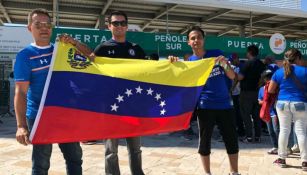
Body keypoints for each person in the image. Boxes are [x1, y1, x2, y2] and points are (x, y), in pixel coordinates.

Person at [14, 8, 92, 175]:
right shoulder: (25, 55)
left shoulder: (62, 50)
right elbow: (20, 92)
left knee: (74, 158)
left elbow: (91, 57)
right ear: (30, 28)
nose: (44, 28)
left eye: (47, 24)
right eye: (38, 24)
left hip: (65, 113)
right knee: (41, 163)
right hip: (39, 115)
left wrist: (74, 43)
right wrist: (21, 126)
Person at [170, 26, 240, 175]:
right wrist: (172, 63)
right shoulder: (190, 62)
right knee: (204, 142)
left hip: (224, 105)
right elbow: (180, 80)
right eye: (193, 38)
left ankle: (234, 172)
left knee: (231, 140)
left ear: (203, 40)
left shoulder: (216, 54)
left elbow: (232, 76)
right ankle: (207, 172)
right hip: (205, 106)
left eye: (199, 37)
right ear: (188, 42)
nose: (196, 40)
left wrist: (225, 64)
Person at [93, 11, 146, 175]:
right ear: (109, 26)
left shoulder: (136, 49)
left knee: (136, 149)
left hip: (132, 106)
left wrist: (171, 63)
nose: (119, 26)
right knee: (111, 151)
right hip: (111, 107)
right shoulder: (102, 49)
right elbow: (93, 74)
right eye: (116, 23)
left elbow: (149, 74)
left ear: (127, 26)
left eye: (123, 23)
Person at [268, 48, 307, 171]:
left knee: (284, 131)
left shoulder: (279, 72)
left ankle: (282, 159)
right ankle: (305, 161)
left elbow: (270, 90)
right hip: (300, 103)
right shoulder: (305, 71)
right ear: (298, 58)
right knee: (301, 132)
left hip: (282, 104)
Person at [237, 45, 265, 143]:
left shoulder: (247, 64)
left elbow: (240, 77)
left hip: (246, 93)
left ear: (249, 52)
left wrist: (235, 75)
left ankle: (249, 137)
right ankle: (258, 137)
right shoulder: (261, 64)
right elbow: (264, 78)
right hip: (257, 93)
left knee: (246, 115)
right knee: (256, 116)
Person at [258, 70, 279, 154]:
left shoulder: (277, 87)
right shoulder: (261, 89)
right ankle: (275, 146)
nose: (269, 79)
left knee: (276, 130)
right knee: (270, 131)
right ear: (264, 79)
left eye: (270, 77)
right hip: (267, 112)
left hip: (275, 112)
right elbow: (259, 101)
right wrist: (267, 102)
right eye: (267, 77)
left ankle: (282, 147)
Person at [229, 53, 245, 137]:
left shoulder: (237, 68)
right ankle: (239, 130)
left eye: (237, 58)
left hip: (236, 94)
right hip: (234, 93)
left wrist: (231, 89)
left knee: (237, 113)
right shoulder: (234, 67)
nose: (236, 60)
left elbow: (236, 80)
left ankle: (240, 130)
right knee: (235, 113)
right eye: (235, 59)